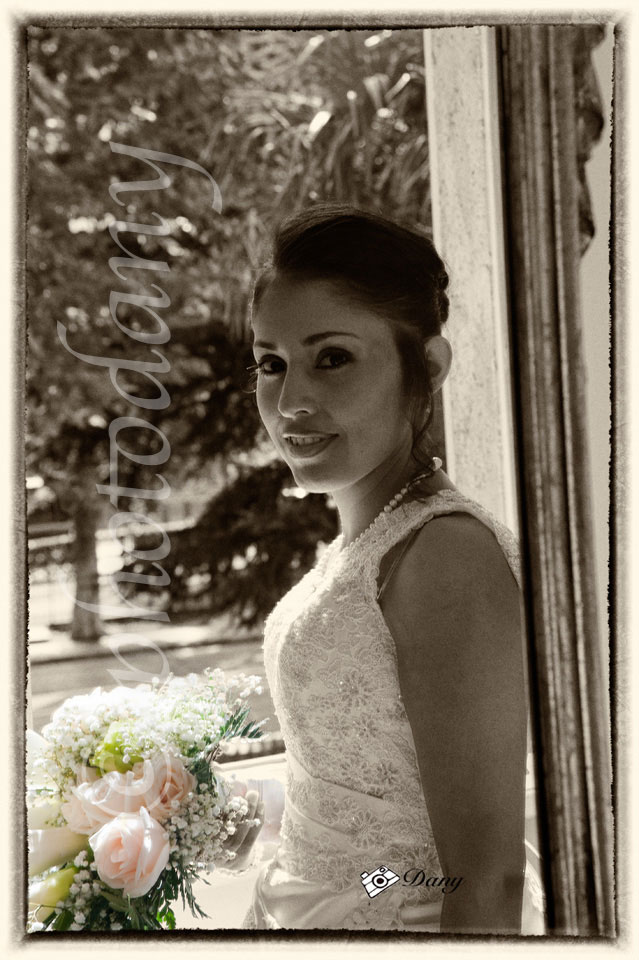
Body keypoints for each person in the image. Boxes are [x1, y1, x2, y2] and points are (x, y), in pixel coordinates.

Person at [236, 203, 546, 933]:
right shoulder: (366, 545)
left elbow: (484, 880)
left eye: (332, 358)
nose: (290, 401)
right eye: (271, 364)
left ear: (427, 367)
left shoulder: (446, 555)